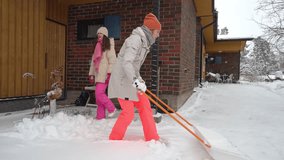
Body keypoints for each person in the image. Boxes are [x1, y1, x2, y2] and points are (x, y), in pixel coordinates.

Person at [108, 13, 161, 141]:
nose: (158, 35)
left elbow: (134, 67)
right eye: (157, 31)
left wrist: (140, 81)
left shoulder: (144, 43)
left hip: (131, 81)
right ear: (151, 30)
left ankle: (152, 138)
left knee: (145, 106)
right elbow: (127, 63)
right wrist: (136, 82)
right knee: (128, 114)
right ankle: (114, 140)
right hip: (122, 82)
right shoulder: (135, 40)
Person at [89, 27, 117, 120]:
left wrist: (109, 73)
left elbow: (112, 61)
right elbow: (93, 62)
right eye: (98, 34)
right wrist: (91, 74)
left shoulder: (109, 46)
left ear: (105, 35)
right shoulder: (97, 46)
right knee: (98, 98)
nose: (99, 35)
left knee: (99, 94)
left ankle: (112, 108)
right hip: (98, 75)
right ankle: (100, 117)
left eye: (101, 33)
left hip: (104, 75)